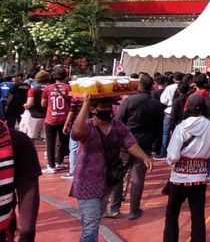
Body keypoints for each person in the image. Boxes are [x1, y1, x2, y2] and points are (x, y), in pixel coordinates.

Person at [70, 93, 152, 242]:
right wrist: (85, 104)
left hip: (106, 183)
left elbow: (130, 143)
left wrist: (144, 157)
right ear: (94, 110)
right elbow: (76, 133)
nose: (108, 109)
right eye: (104, 107)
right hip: (86, 181)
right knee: (91, 224)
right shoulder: (87, 126)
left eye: (109, 107)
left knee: (93, 221)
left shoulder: (118, 126)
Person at [164, 94, 210, 242]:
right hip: (200, 179)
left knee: (172, 214)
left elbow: (172, 156)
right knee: (197, 217)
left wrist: (174, 161)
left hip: (178, 179)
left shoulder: (182, 127)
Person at [108, 73, 164, 220]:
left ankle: (114, 208)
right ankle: (134, 210)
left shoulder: (129, 101)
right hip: (144, 145)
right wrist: (155, 146)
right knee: (137, 178)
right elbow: (159, 128)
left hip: (125, 143)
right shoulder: (157, 104)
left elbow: (118, 121)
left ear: (138, 85)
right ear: (152, 86)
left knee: (119, 175)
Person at [40, 67, 71, 173]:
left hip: (50, 119)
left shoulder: (47, 89)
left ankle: (51, 165)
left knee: (50, 142)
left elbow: (43, 104)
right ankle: (60, 162)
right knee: (63, 141)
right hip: (65, 119)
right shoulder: (69, 88)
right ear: (65, 76)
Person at [156, 72, 182, 159]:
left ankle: (164, 152)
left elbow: (163, 100)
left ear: (174, 79)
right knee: (179, 133)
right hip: (181, 112)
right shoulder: (184, 87)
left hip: (169, 111)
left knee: (166, 133)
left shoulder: (169, 88)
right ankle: (178, 151)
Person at [23, 72, 48, 141]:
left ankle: (30, 151)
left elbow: (30, 103)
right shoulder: (50, 88)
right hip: (47, 116)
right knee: (47, 137)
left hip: (35, 115)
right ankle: (47, 151)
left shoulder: (33, 89)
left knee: (31, 136)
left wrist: (25, 106)